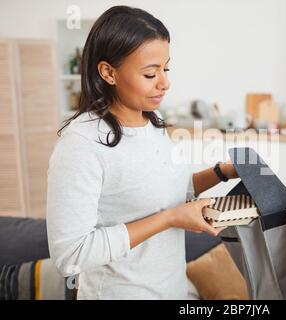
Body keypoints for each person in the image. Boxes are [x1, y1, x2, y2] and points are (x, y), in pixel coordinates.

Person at [46, 6, 237, 300]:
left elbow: (167, 191)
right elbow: (71, 253)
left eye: (166, 69)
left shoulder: (149, 123)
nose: (165, 82)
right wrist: (169, 219)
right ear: (108, 72)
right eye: (150, 73)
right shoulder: (81, 146)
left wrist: (221, 172)